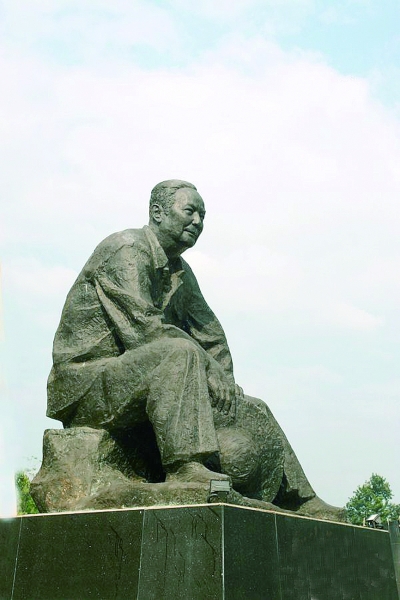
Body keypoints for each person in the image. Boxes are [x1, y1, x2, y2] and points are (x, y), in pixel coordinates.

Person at [47, 179, 342, 517]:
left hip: (139, 378)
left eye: (203, 215)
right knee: (179, 352)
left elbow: (211, 335)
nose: (198, 222)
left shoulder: (181, 272)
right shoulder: (125, 249)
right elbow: (145, 331)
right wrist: (207, 368)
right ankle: (184, 467)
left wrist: (225, 385)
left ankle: (299, 498)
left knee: (253, 407)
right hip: (86, 385)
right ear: (157, 212)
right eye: (189, 211)